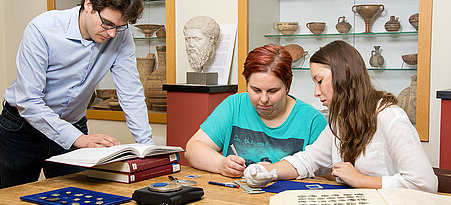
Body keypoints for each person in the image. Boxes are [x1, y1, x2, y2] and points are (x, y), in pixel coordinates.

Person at [0, 0, 155, 189]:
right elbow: (29, 101)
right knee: (13, 198)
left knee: (80, 197)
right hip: (23, 128)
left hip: (74, 124)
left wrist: (148, 149)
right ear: (88, 4)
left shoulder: (120, 35)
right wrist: (78, 139)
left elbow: (131, 92)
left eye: (119, 27)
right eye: (108, 24)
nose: (112, 33)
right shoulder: (42, 29)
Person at [243, 40, 438, 193]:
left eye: (319, 81)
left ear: (343, 75)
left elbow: (425, 184)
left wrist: (362, 180)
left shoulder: (389, 116)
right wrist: (268, 171)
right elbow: (309, 160)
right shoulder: (339, 120)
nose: (316, 92)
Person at [185, 44, 327, 177]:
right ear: (247, 84)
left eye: (273, 91)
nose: (263, 99)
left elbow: (328, 175)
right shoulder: (235, 105)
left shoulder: (312, 121)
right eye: (256, 90)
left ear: (287, 87)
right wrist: (221, 165)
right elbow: (193, 149)